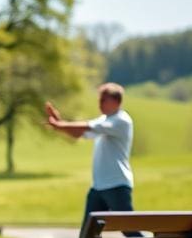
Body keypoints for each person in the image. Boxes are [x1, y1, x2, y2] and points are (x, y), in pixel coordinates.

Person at [45, 83, 136, 226]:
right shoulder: (104, 120)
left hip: (117, 184)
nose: (99, 104)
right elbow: (79, 133)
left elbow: (87, 126)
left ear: (116, 101)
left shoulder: (121, 120)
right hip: (98, 186)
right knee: (88, 233)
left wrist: (60, 125)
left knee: (129, 228)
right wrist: (60, 124)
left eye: (103, 100)